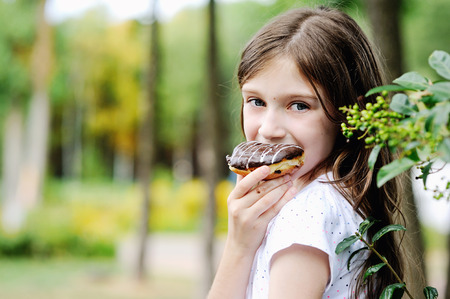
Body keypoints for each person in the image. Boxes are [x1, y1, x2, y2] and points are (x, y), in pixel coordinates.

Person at [207, 6, 405, 299]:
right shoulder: (328, 200)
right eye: (256, 101)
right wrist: (239, 243)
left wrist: (238, 247)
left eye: (299, 105)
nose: (269, 129)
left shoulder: (307, 215)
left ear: (353, 114)